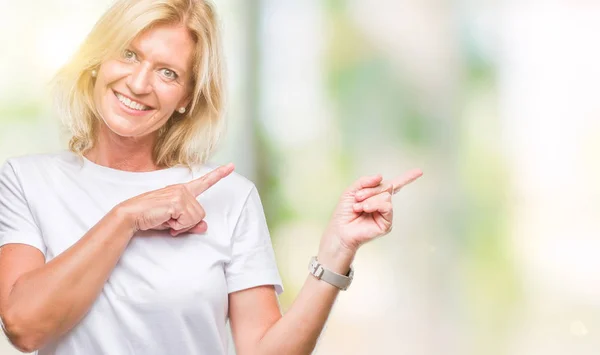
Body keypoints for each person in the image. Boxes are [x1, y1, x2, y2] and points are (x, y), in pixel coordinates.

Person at [0, 0, 422, 354]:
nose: (140, 82)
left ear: (186, 97)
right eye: (128, 54)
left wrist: (336, 251)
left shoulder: (230, 198)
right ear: (97, 59)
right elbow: (24, 326)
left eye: (168, 72)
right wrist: (126, 216)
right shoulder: (26, 181)